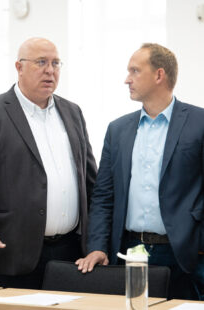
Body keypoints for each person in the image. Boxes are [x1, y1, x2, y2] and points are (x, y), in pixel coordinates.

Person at [0, 37, 97, 289]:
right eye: (41, 62)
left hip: (71, 252)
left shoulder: (72, 112)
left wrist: (97, 240)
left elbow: (89, 179)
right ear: (18, 67)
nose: (50, 70)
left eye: (55, 63)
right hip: (12, 249)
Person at [76, 43, 204, 300]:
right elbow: (103, 195)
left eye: (135, 71)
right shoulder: (118, 129)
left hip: (185, 254)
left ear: (159, 75)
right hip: (128, 252)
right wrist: (98, 246)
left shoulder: (199, 123)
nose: (127, 79)